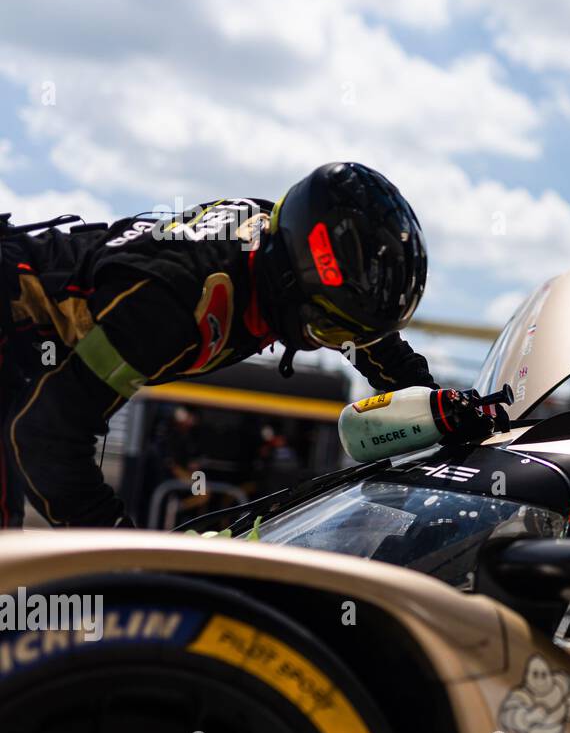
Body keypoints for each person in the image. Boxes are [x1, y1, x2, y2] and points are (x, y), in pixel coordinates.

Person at [0, 161, 491, 528]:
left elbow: (377, 345)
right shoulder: (176, 303)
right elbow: (44, 440)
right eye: (330, 331)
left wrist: (447, 412)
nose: (338, 345)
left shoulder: (280, 236)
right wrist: (129, 565)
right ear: (292, 290)